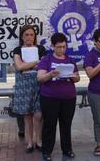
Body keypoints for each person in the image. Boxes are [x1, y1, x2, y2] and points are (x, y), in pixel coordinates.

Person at [37, 33, 80, 161]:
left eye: (64, 47)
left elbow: (77, 78)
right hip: (50, 98)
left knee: (66, 125)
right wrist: (51, 74)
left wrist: (72, 76)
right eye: (58, 47)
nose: (61, 50)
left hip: (69, 98)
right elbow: (40, 78)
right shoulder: (46, 60)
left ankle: (67, 149)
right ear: (52, 47)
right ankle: (47, 151)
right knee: (49, 125)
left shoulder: (70, 60)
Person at [12, 25, 46, 153]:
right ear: (22, 36)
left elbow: (43, 66)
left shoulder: (41, 48)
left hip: (39, 84)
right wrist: (35, 63)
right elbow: (19, 66)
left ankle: (39, 140)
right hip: (24, 86)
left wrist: (28, 65)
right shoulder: (17, 50)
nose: (29, 37)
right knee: (27, 116)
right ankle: (30, 142)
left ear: (35, 37)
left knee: (38, 115)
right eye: (26, 34)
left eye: (32, 35)